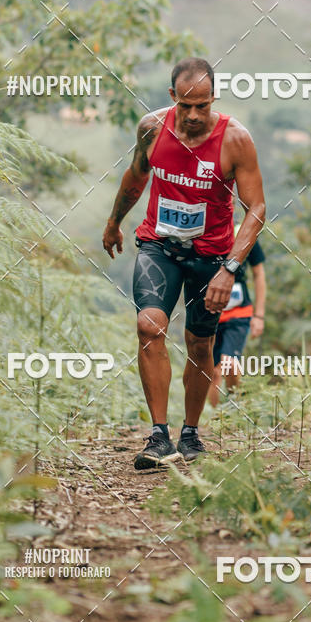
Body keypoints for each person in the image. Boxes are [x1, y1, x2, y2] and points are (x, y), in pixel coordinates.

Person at [102, 57, 266, 469]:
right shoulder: (152, 128)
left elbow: (257, 208)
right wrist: (114, 222)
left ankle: (190, 432)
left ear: (214, 99)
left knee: (199, 343)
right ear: (172, 96)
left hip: (211, 256)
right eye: (185, 105)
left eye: (203, 106)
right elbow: (136, 176)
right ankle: (159, 436)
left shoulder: (235, 140)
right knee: (148, 327)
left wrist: (230, 270)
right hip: (159, 246)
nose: (193, 115)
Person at [208, 222, 266, 408]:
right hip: (210, 312)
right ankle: (218, 417)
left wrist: (259, 316)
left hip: (239, 312)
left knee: (229, 363)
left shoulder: (245, 232)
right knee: (213, 373)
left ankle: (236, 407)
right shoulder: (204, 231)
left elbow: (258, 273)